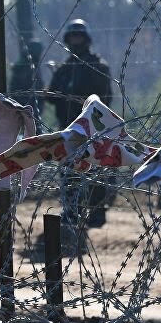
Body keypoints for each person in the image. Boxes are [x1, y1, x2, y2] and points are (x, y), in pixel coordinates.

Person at [49, 19, 113, 227]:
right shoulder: (64, 69)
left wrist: (78, 99)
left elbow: (105, 97)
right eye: (72, 37)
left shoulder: (97, 65)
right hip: (68, 128)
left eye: (79, 37)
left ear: (86, 40)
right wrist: (62, 95)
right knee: (69, 171)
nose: (76, 41)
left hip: (90, 127)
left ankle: (96, 212)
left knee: (93, 169)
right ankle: (72, 210)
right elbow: (50, 95)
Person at [10, 39, 44, 132]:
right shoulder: (25, 68)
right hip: (24, 110)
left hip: (30, 112)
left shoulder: (33, 66)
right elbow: (19, 91)